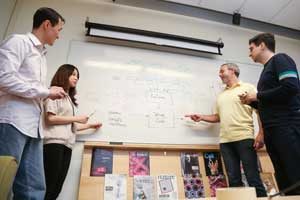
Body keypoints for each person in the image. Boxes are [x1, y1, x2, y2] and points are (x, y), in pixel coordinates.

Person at [0, 7, 66, 199]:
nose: (59, 36)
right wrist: (46, 91)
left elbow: (30, 89)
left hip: (34, 127)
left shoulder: (41, 56)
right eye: (59, 29)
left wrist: (46, 95)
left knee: (34, 188)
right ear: (47, 24)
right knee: (4, 181)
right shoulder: (18, 42)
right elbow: (3, 78)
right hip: (12, 122)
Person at [185, 63, 267, 197]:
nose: (219, 74)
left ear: (232, 71)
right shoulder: (221, 95)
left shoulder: (248, 88)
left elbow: (261, 111)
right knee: (233, 180)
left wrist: (261, 134)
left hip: (245, 138)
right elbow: (218, 117)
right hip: (225, 142)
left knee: (253, 178)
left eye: (222, 71)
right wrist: (201, 117)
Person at [239, 32, 300, 195]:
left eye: (251, 48)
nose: (249, 53)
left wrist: (257, 95)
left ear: (262, 45)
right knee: (283, 176)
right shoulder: (266, 70)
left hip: (286, 128)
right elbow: (272, 101)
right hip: (273, 132)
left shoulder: (281, 59)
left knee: (294, 173)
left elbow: (291, 87)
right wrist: (252, 101)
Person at [43, 64, 102, 199]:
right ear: (64, 74)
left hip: (67, 145)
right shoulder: (53, 92)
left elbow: (72, 126)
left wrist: (90, 126)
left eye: (77, 76)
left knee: (57, 187)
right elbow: (50, 119)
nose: (76, 78)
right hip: (54, 144)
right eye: (73, 74)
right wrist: (77, 118)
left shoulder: (68, 98)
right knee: (49, 185)